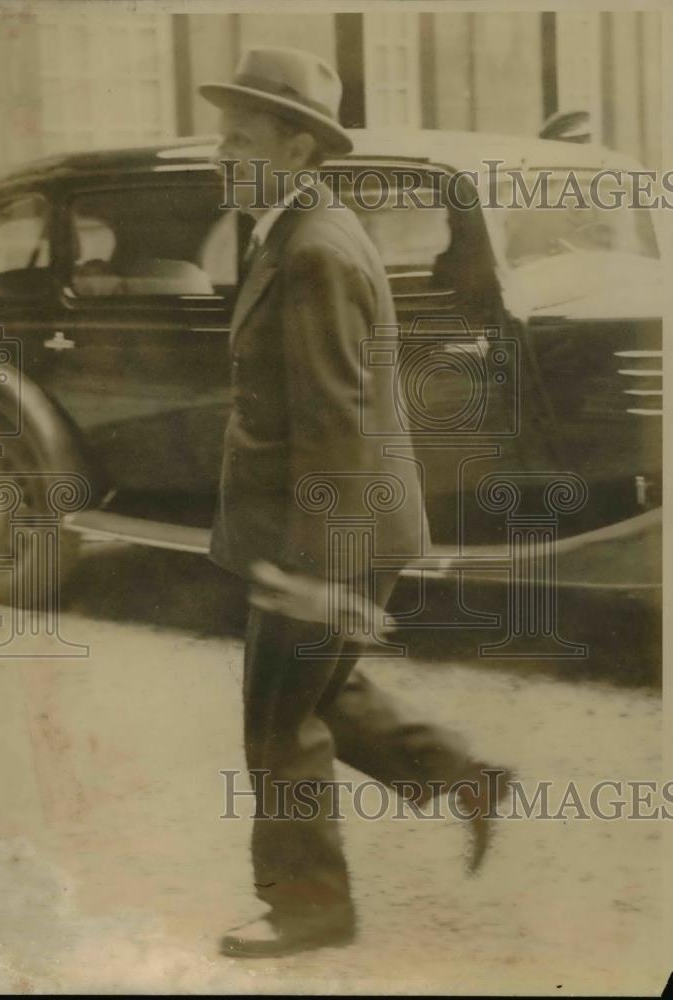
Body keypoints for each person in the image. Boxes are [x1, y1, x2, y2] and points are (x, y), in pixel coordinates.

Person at [200, 46, 511, 959]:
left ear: (296, 150)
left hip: (328, 532)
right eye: (222, 135)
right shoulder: (295, 231)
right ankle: (466, 777)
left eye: (238, 138)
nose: (220, 154)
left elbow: (334, 420)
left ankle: (309, 911)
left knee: (279, 721)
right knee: (327, 688)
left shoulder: (316, 250)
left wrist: (319, 572)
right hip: (327, 528)